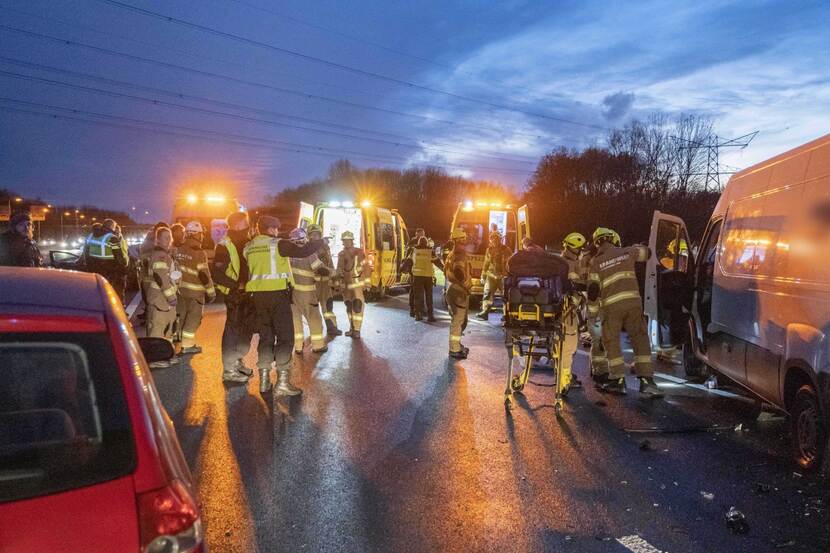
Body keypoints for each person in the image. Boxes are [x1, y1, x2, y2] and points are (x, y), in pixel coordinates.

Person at [243, 215, 325, 394]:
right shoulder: (277, 244)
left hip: (256, 297)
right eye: (276, 229)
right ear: (272, 229)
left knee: (265, 338)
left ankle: (264, 382)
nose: (277, 232)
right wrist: (320, 242)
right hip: (278, 297)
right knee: (285, 338)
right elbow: (303, 251)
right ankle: (282, 383)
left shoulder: (248, 247)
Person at [588, 228, 663, 397]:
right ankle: (647, 381)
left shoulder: (595, 262)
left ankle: (618, 381)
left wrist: (593, 317)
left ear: (597, 243)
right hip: (633, 304)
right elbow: (648, 253)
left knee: (611, 342)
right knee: (640, 340)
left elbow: (592, 292)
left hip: (611, 308)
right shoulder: (628, 251)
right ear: (614, 239)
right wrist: (638, 246)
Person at [212, 212, 254, 383]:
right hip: (235, 295)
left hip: (249, 294)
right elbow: (217, 273)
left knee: (246, 330)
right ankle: (229, 370)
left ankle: (237, 361)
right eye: (246, 224)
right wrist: (237, 286)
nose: (248, 227)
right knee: (233, 330)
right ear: (237, 225)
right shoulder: (224, 245)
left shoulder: (248, 244)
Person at [173, 221, 215, 356]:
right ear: (197, 235)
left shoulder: (178, 250)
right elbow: (204, 275)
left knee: (181, 315)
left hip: (180, 291)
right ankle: (188, 345)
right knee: (194, 318)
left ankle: (176, 339)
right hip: (195, 292)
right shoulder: (199, 252)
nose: (202, 237)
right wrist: (211, 292)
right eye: (201, 234)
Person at [288, 227, 328, 355]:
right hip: (307, 293)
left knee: (295, 321)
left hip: (292, 294)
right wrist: (332, 273)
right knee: (314, 318)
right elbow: (319, 268)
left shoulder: (288, 254)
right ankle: (318, 345)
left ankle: (298, 346)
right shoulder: (309, 253)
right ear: (304, 239)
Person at [145, 227, 178, 368]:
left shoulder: (165, 254)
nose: (169, 240)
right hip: (160, 298)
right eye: (165, 237)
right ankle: (154, 358)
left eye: (169, 237)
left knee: (168, 326)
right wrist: (171, 296)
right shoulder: (160, 255)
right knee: (157, 328)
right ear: (158, 239)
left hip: (164, 299)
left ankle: (165, 354)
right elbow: (160, 277)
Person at [307, 224, 342, 336]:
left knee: (328, 306)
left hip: (325, 284)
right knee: (313, 309)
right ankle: (315, 331)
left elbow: (329, 262)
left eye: (317, 234)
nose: (315, 237)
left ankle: (332, 328)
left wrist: (335, 278)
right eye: (312, 235)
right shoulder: (307, 248)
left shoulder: (326, 247)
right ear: (309, 236)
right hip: (313, 284)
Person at [83, 218, 129, 303]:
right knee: (111, 291)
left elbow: (85, 252)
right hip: (109, 269)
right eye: (115, 227)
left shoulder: (90, 235)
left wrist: (87, 265)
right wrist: (123, 268)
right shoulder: (112, 238)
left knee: (97, 291)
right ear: (112, 226)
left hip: (93, 268)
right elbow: (118, 256)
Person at [445, 229, 472, 359]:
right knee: (458, 321)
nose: (465, 240)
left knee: (461, 321)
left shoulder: (452, 253)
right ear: (459, 240)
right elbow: (458, 270)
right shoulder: (459, 254)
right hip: (458, 292)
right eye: (463, 238)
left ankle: (457, 344)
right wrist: (464, 284)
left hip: (454, 291)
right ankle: (454, 349)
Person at [337, 230, 369, 339]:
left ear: (352, 241)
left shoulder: (359, 252)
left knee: (358, 306)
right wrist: (338, 281)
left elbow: (367, 267)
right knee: (349, 307)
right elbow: (339, 268)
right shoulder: (341, 254)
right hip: (347, 286)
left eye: (348, 240)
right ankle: (351, 328)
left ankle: (357, 330)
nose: (346, 242)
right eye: (344, 241)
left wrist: (367, 283)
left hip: (357, 285)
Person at [477, 231, 511, 320]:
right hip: (491, 276)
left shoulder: (506, 250)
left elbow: (510, 263)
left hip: (503, 277)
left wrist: (508, 275)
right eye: (492, 238)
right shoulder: (489, 250)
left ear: (500, 239)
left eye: (496, 238)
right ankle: (485, 312)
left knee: (505, 296)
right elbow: (486, 263)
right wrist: (482, 276)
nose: (494, 240)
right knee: (487, 294)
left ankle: (506, 315)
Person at [410, 236, 438, 322]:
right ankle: (430, 316)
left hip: (417, 276)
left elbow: (409, 261)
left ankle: (418, 315)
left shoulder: (414, 250)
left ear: (418, 243)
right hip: (428, 276)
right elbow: (437, 261)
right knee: (429, 297)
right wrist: (445, 269)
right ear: (426, 243)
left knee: (418, 296)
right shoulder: (430, 251)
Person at [406, 228, 427, 317]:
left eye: (423, 234)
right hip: (414, 270)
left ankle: (420, 309)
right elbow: (408, 255)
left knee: (420, 291)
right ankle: (412, 309)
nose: (422, 235)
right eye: (421, 234)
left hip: (422, 270)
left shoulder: (425, 242)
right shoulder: (412, 243)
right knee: (413, 291)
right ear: (416, 234)